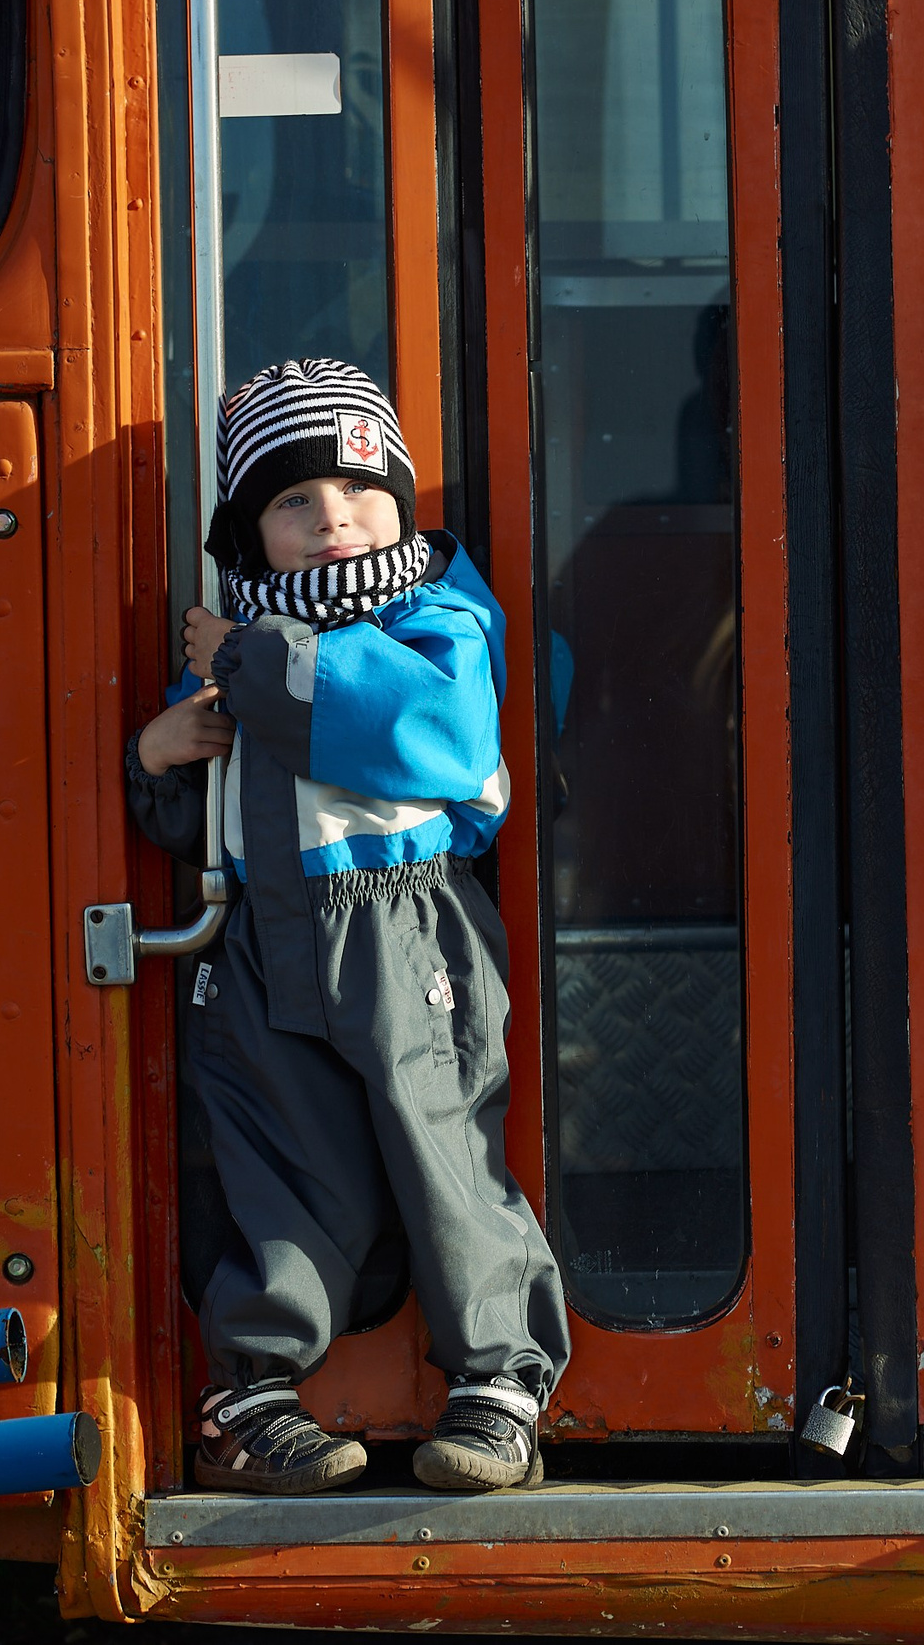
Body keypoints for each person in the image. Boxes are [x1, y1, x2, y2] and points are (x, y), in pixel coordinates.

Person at [127, 357, 569, 1495]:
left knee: (442, 1144)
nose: (334, 521)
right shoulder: (252, 644)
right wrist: (158, 757)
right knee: (282, 1163)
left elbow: (430, 729)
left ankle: (501, 1376)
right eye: (292, 501)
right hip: (261, 938)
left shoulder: (437, 614)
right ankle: (255, 1389)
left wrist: (237, 657)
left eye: (362, 491)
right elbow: (211, 811)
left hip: (404, 929)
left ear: (405, 501)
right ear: (251, 532)